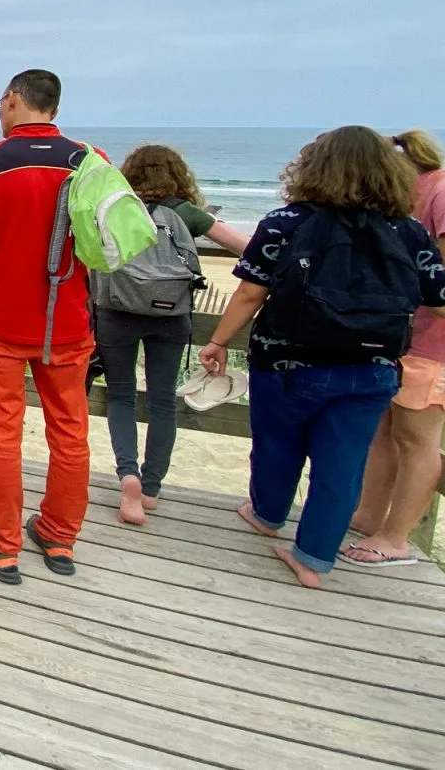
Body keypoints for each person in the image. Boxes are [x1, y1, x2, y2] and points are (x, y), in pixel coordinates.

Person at [200, 126, 445, 589]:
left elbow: (252, 292)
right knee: (344, 461)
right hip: (372, 368)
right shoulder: (408, 231)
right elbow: (438, 297)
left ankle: (268, 514)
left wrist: (217, 341)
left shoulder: (284, 222)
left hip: (288, 361)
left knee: (276, 444)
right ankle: (313, 558)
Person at [0, 69, 98, 584]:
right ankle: (58, 537)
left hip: (0, 321)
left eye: (0, 102)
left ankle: (1, 544)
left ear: (13, 101)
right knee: (70, 432)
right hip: (69, 323)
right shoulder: (89, 161)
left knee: (1, 433)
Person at [97, 146, 252, 525]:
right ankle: (150, 488)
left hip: (117, 309)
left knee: (121, 396)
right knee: (163, 400)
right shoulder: (185, 212)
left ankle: (128, 474)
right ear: (178, 175)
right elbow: (251, 249)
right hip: (170, 314)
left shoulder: (117, 206)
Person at [345, 130, 445, 567]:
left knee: (416, 438)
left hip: (432, 344)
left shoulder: (439, 193)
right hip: (402, 337)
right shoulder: (414, 197)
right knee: (382, 430)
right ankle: (369, 515)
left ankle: (396, 536)